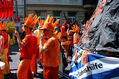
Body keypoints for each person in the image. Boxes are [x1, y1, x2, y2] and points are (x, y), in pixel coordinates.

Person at [15, 13, 39, 79]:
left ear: (28, 28)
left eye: (25, 26)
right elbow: (32, 48)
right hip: (30, 58)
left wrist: (17, 36)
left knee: (20, 74)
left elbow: (21, 44)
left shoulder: (28, 37)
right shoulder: (34, 37)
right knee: (28, 74)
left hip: (26, 59)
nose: (23, 28)